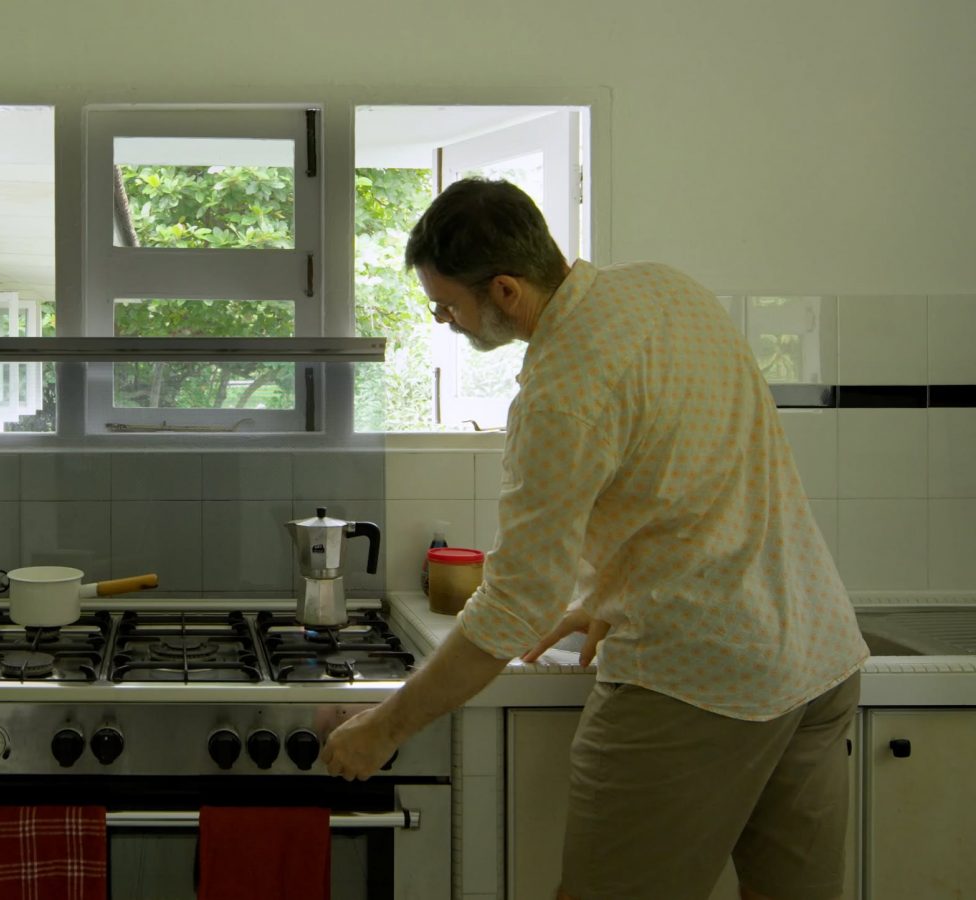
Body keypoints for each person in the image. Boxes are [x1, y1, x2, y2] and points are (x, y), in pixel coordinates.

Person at [320, 178, 868, 900]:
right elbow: (693, 477)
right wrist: (612, 590)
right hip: (818, 657)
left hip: (699, 683)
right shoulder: (666, 290)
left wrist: (383, 729)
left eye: (448, 305)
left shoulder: (559, 391)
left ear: (507, 290)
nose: (445, 320)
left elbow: (513, 607)